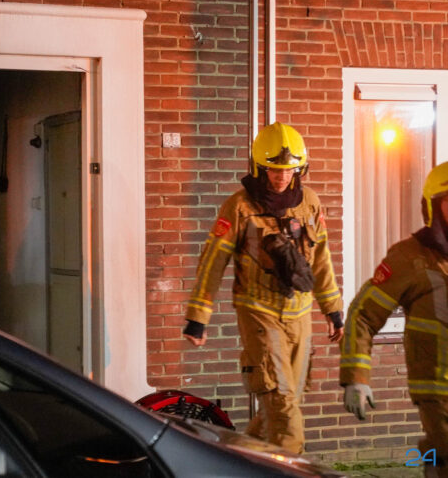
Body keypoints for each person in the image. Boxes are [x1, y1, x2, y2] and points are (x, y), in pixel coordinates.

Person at [182, 122, 344, 454]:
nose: (281, 176)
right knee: (283, 410)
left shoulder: (310, 203)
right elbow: (213, 260)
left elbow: (321, 259)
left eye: (289, 169)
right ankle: (293, 470)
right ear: (260, 167)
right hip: (259, 313)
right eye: (274, 169)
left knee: (282, 405)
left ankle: (235, 462)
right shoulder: (240, 206)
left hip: (299, 316)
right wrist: (198, 316)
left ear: (300, 168)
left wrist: (333, 310)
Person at [341, 162, 448, 477]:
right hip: (438, 392)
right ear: (433, 207)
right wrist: (356, 378)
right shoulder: (409, 257)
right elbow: (363, 314)